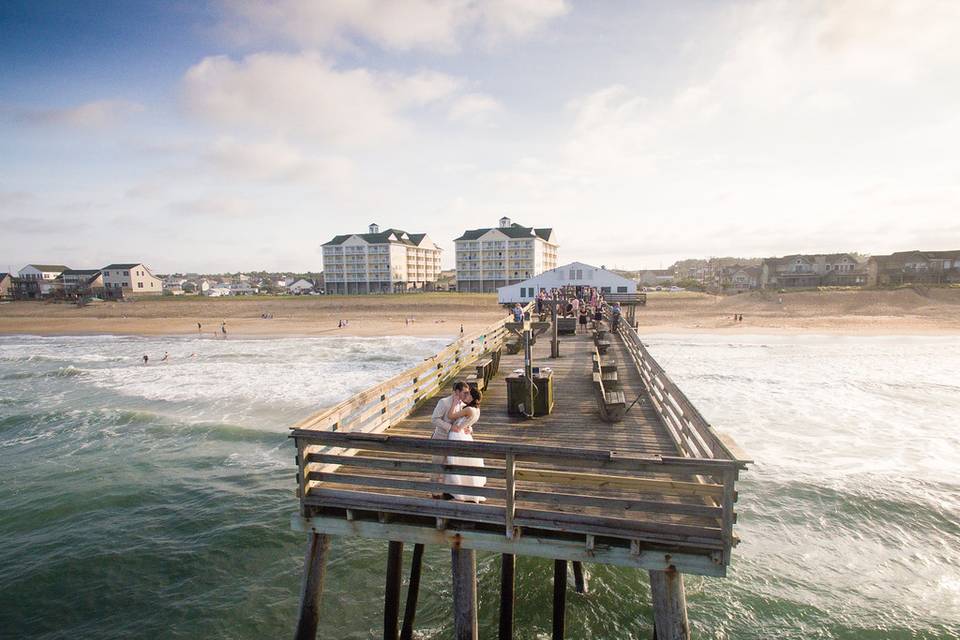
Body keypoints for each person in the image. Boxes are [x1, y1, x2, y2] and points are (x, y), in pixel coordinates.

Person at [443, 387, 486, 503]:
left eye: (468, 394)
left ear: (472, 397)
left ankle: (455, 490)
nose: (466, 396)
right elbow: (468, 423)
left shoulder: (469, 409)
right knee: (464, 461)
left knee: (455, 461)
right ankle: (462, 489)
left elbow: (451, 416)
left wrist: (454, 403)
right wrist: (470, 428)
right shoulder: (477, 410)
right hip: (465, 435)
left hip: (456, 434)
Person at [430, 382, 472, 493]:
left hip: (454, 441)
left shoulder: (463, 405)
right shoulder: (443, 402)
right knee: (437, 467)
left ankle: (446, 491)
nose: (467, 395)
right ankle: (435, 493)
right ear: (457, 392)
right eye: (465, 392)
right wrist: (450, 427)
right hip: (440, 438)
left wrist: (469, 428)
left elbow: (465, 421)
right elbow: (434, 419)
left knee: (450, 467)